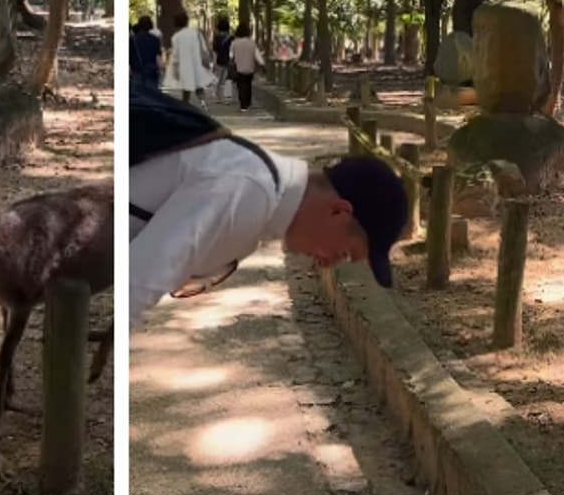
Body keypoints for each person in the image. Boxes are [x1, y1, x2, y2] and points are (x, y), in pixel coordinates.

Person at [128, 82, 408, 326]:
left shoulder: (261, 193)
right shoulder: (250, 191)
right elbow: (137, 281)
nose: (326, 263)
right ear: (339, 211)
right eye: (345, 253)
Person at [168, 11, 214, 108]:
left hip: (184, 65)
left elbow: (175, 55)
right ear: (186, 22)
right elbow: (204, 49)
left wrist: (175, 69)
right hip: (196, 63)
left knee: (186, 89)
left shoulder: (176, 37)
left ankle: (186, 106)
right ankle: (203, 103)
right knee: (199, 85)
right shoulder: (195, 33)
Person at [229, 23, 266, 112]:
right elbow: (257, 55)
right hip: (250, 68)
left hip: (238, 68)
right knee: (248, 85)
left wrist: (233, 60)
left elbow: (230, 55)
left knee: (240, 86)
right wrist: (262, 64)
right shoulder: (252, 43)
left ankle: (243, 105)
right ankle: (248, 102)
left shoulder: (234, 43)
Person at [130, 15, 163, 89]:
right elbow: (158, 56)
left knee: (138, 95)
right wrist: (160, 69)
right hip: (151, 70)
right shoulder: (155, 39)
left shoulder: (133, 40)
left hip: (137, 70)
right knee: (152, 96)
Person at [211, 16, 234, 103]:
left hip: (219, 61)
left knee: (218, 80)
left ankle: (218, 96)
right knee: (227, 80)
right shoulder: (231, 38)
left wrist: (213, 63)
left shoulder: (216, 38)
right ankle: (227, 98)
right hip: (228, 61)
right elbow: (233, 50)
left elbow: (215, 51)